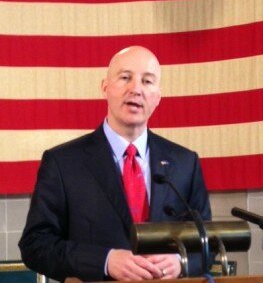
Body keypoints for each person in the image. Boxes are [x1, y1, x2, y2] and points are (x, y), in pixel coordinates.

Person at [19, 46, 212, 282]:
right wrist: (105, 261)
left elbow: (208, 243)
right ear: (105, 88)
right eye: (125, 77)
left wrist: (181, 261)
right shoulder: (63, 163)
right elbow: (36, 245)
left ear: (158, 97)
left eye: (148, 81)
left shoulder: (184, 163)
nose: (136, 89)